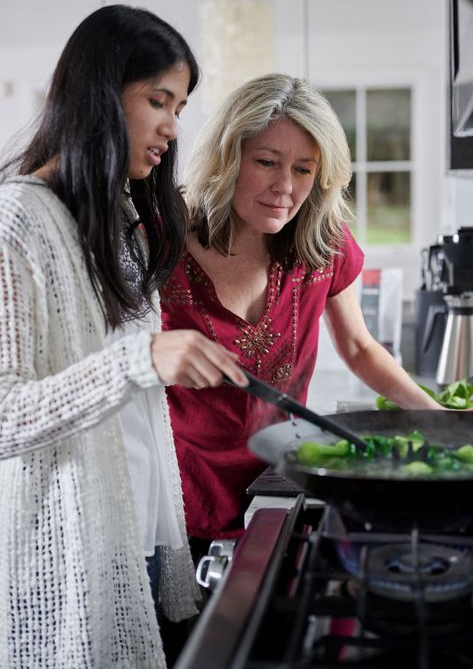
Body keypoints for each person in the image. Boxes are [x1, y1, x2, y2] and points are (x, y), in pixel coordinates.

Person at [0, 4, 247, 669]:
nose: (172, 126)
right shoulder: (15, 221)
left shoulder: (116, 223)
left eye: (181, 105)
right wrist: (138, 359)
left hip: (126, 536)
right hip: (60, 556)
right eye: (157, 100)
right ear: (98, 95)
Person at [160, 72, 444, 552]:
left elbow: (358, 347)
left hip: (283, 478)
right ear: (227, 159)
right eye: (267, 162)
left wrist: (439, 419)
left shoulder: (324, 246)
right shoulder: (162, 243)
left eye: (304, 170)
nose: (284, 188)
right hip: (178, 487)